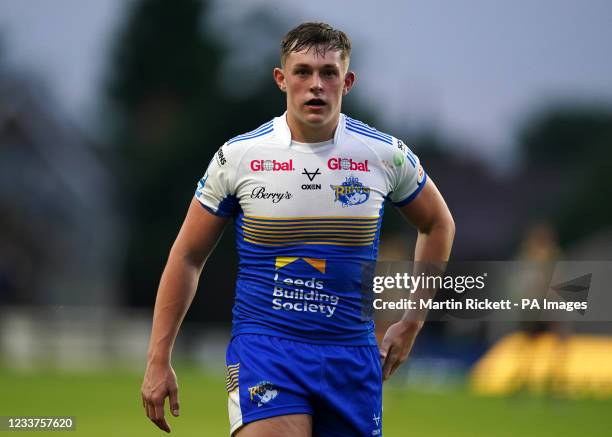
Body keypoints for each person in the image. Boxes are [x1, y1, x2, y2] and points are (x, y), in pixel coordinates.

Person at [141, 21, 455, 436]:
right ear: (281, 78)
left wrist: (412, 320)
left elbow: (437, 224)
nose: (316, 85)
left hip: (352, 356)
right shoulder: (240, 157)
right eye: (303, 71)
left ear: (348, 82)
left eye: (329, 73)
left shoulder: (384, 155)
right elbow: (187, 256)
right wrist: (158, 359)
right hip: (266, 350)